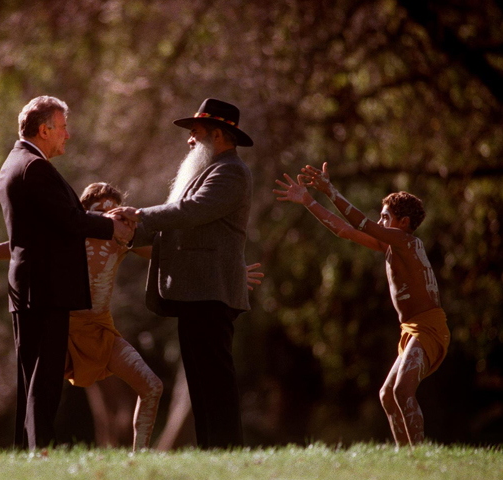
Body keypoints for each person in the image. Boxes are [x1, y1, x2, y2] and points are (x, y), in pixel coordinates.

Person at [0, 183, 163, 451]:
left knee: (152, 386)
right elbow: (22, 247)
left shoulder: (123, 240)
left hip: (100, 332)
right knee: (37, 393)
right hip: (61, 331)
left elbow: (160, 251)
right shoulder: (68, 232)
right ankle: (32, 450)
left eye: (114, 212)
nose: (109, 218)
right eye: (100, 212)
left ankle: (139, 456)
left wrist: (137, 224)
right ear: (85, 213)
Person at [108, 98, 254, 449]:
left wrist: (139, 216)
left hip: (210, 292)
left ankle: (227, 451)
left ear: (217, 135)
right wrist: (125, 232)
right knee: (201, 379)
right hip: (195, 293)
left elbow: (191, 211)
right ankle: (212, 452)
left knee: (215, 379)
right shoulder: (210, 171)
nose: (189, 139)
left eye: (195, 132)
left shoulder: (231, 172)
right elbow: (176, 222)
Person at [273, 162, 449, 447]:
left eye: (385, 217)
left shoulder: (406, 242)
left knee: (403, 390)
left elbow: (360, 223)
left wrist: (329, 190)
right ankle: (406, 457)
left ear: (404, 223)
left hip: (429, 328)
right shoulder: (390, 246)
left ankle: (419, 457)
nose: (379, 222)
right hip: (410, 329)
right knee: (387, 395)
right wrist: (308, 201)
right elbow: (344, 230)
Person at [0, 96, 133, 450]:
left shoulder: (13, 163)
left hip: (30, 287)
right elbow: (68, 220)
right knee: (44, 378)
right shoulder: (34, 167)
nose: (67, 135)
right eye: (63, 128)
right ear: (44, 130)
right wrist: (110, 226)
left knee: (30, 376)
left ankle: (27, 451)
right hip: (45, 288)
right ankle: (40, 450)